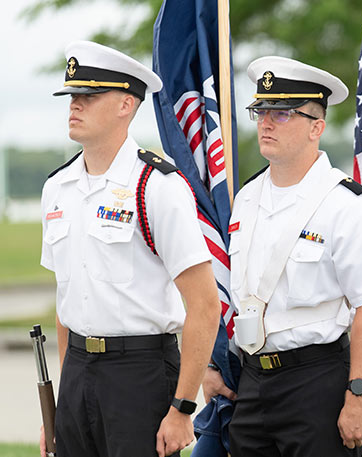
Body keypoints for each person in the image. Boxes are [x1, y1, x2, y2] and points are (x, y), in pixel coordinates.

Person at [201, 56, 362, 456]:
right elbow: (232, 297)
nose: (266, 122)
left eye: (282, 113)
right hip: (253, 381)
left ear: (317, 127)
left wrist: (359, 395)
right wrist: (215, 364)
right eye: (260, 110)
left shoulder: (346, 204)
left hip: (316, 380)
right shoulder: (246, 198)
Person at [39, 41, 220, 457]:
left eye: (88, 95)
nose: (75, 105)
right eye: (72, 96)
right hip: (79, 371)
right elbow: (65, 305)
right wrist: (62, 403)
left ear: (125, 104)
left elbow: (206, 307)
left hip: (140, 373)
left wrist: (182, 408)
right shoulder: (57, 188)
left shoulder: (157, 186)